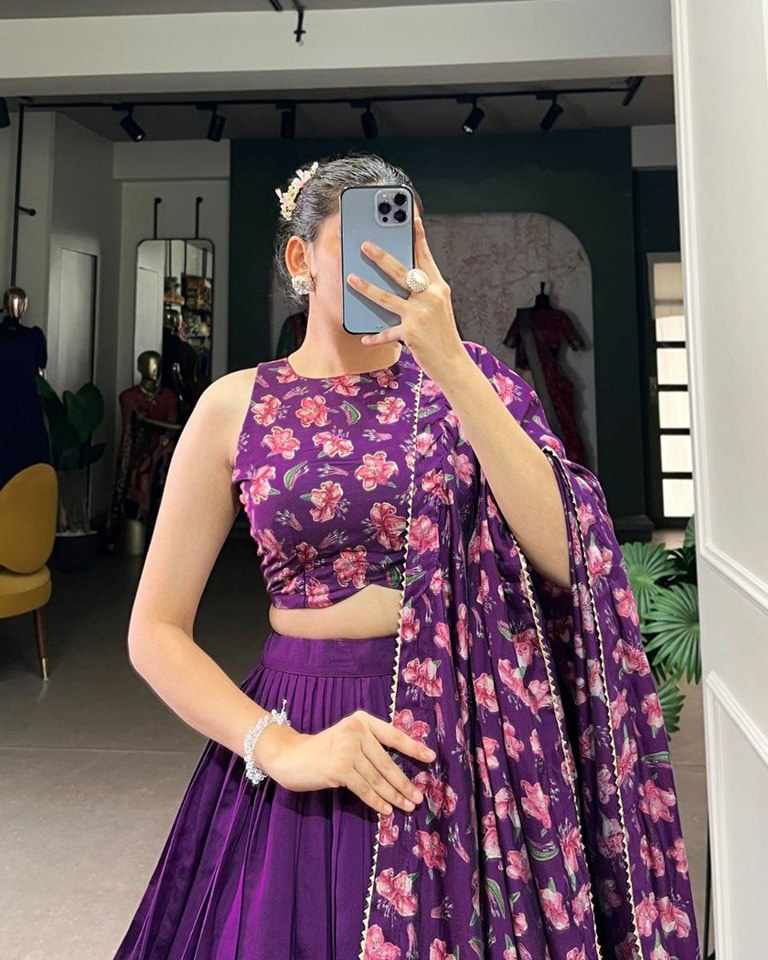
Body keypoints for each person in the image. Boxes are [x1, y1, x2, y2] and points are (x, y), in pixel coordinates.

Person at [114, 153, 701, 960]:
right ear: (300, 259)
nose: (385, 265)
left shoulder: (472, 381)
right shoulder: (235, 405)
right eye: (359, 243)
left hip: (471, 738)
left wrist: (450, 360)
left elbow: (572, 554)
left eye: (404, 242)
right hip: (308, 724)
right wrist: (280, 749)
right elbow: (155, 631)